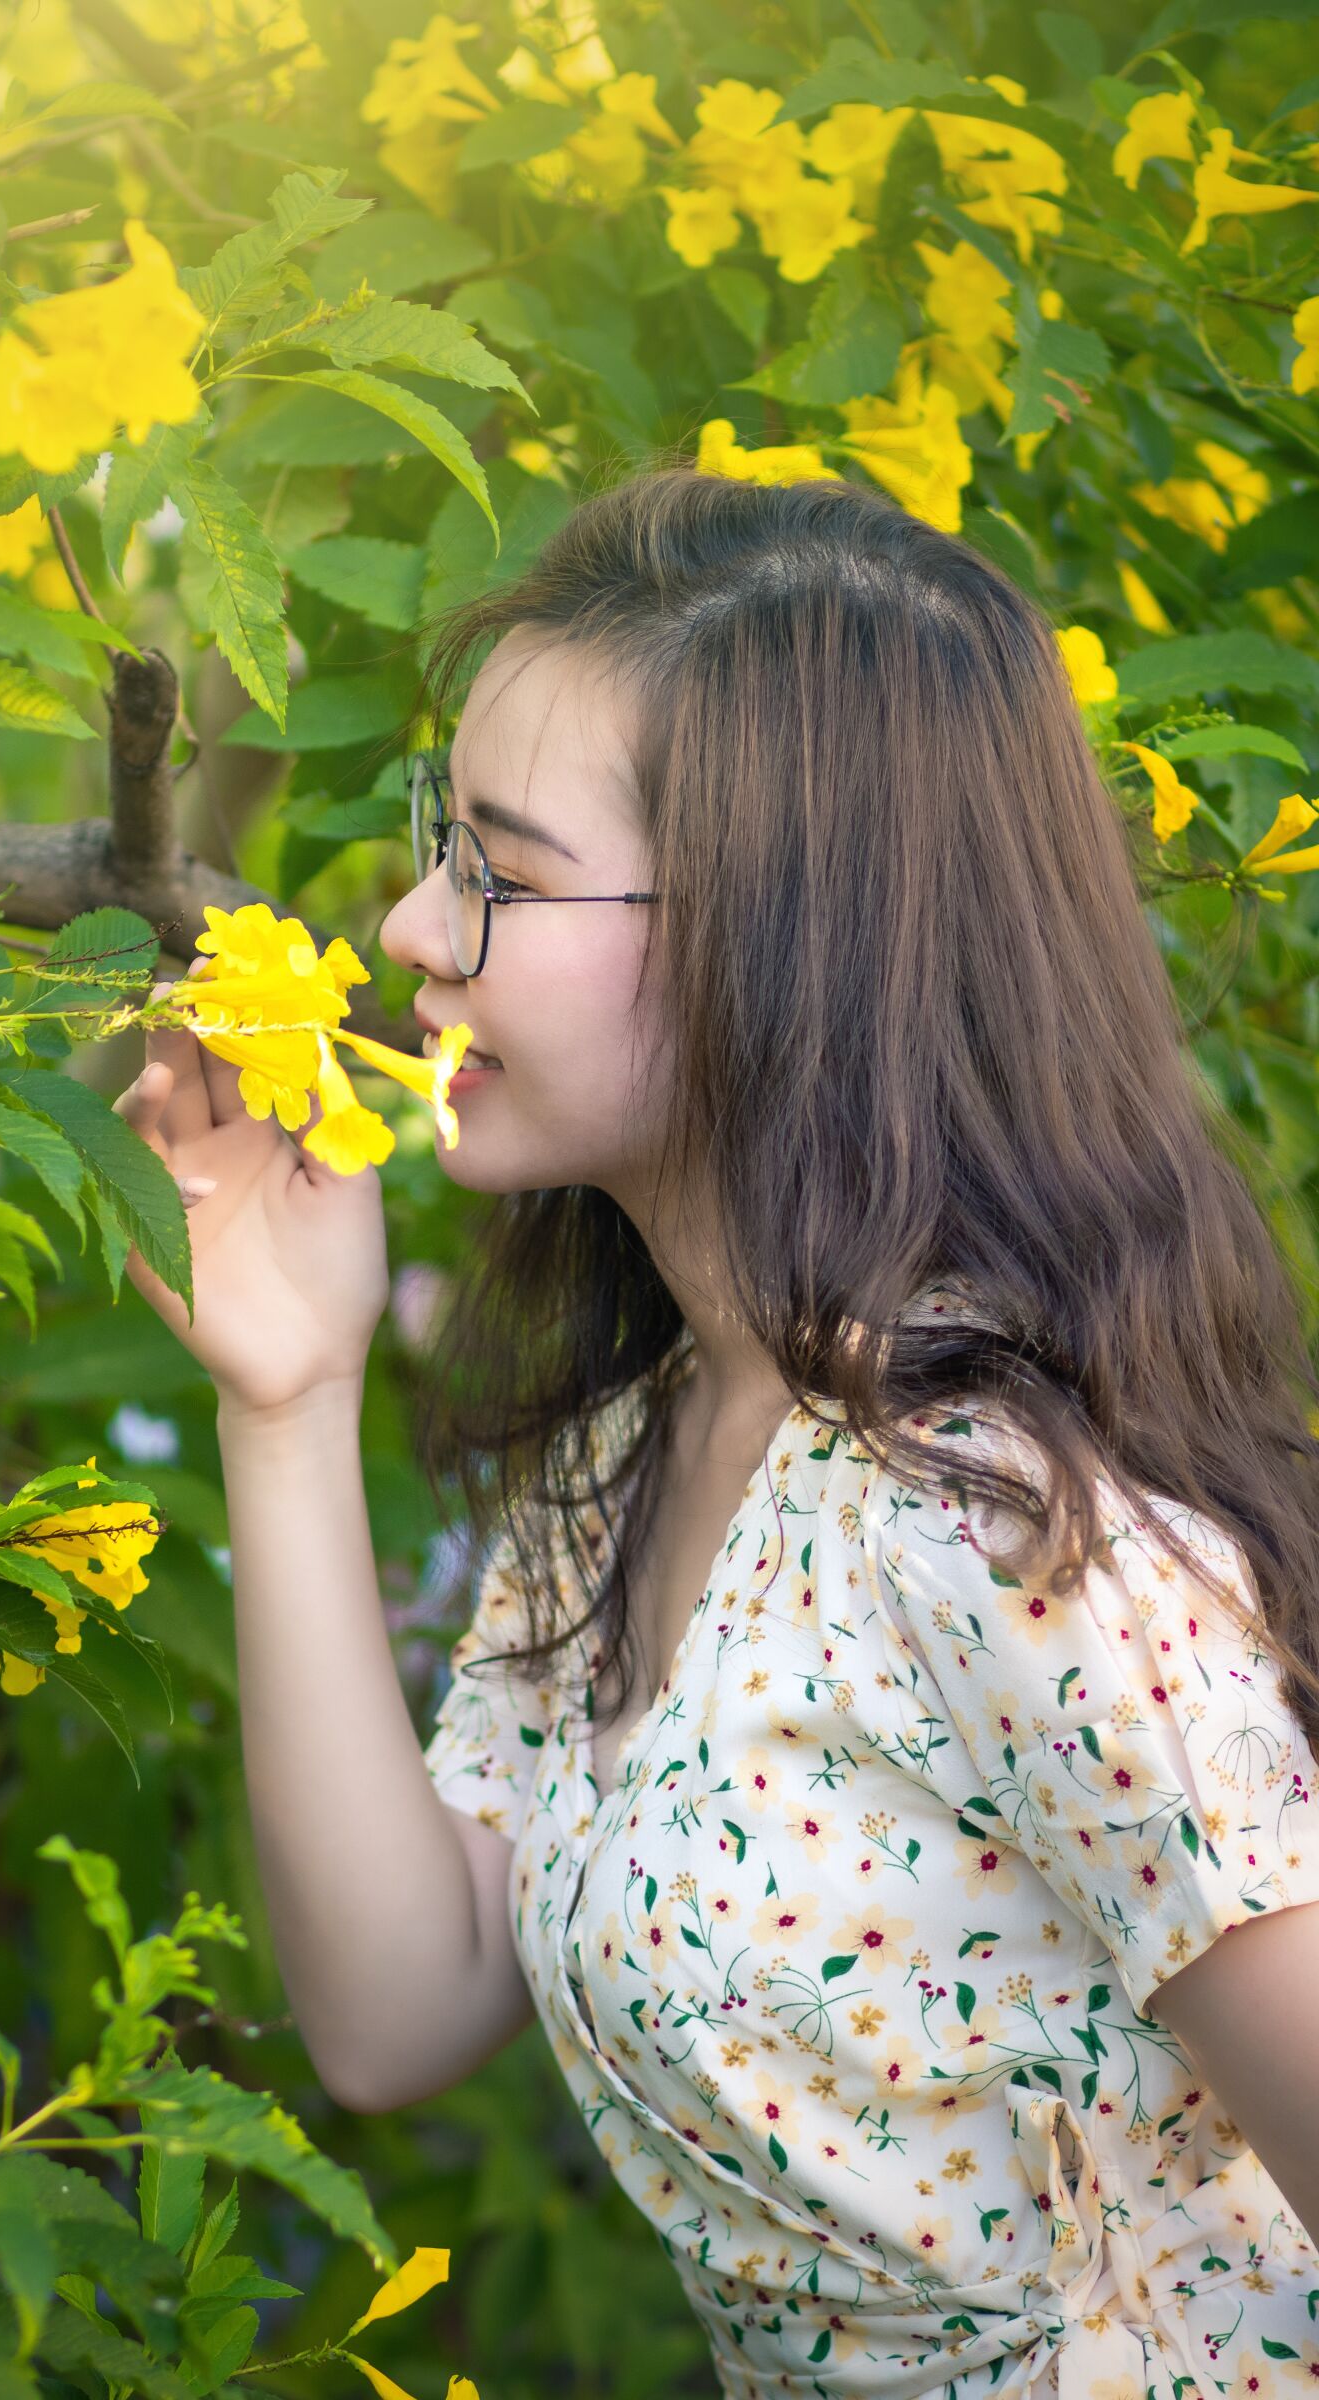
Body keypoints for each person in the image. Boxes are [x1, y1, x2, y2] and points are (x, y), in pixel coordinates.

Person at [114, 464, 1319, 2397]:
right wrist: (290, 1397)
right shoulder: (645, 1446)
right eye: (448, 840)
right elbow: (393, 2007)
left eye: (501, 863)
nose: (417, 925)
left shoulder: (1004, 1528)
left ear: (779, 931)